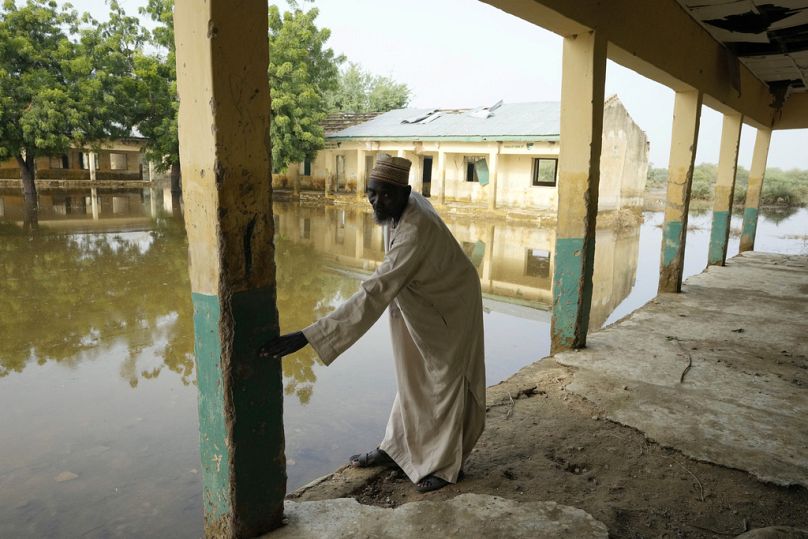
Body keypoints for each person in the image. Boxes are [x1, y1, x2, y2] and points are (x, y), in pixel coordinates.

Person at [260, 155, 485, 493]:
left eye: (386, 195)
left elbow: (374, 292)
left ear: (406, 192)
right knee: (412, 373)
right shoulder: (401, 209)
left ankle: (442, 464)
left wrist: (310, 335)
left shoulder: (414, 230)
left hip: (450, 304)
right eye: (372, 193)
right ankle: (395, 448)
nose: (378, 201)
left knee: (443, 380)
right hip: (418, 297)